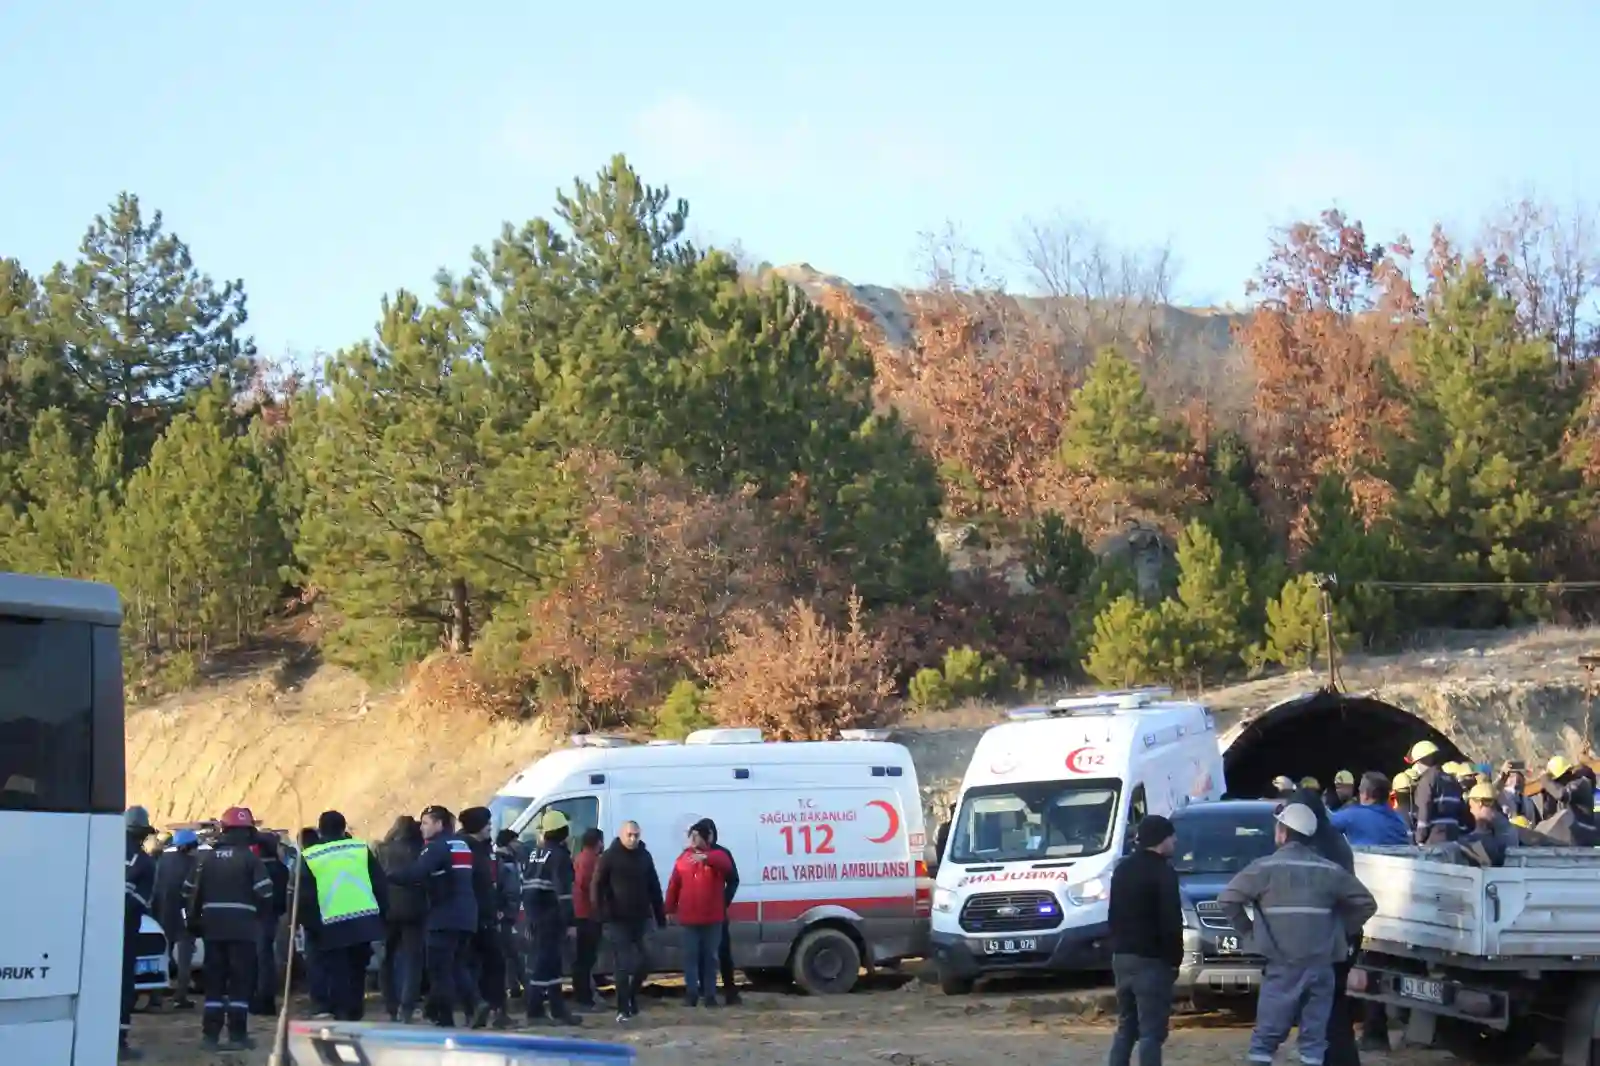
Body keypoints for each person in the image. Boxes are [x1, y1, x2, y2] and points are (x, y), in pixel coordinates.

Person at [1218, 803, 1377, 1066]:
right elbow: (1366, 904)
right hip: (1321, 968)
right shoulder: (1329, 871)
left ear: (1282, 833)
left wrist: (1250, 933)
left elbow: (1228, 899)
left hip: (1282, 966)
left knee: (1265, 1041)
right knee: (1314, 1043)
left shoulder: (1264, 869)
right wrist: (1337, 933)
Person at [184, 807, 275, 1052]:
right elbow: (266, 894)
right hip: (243, 932)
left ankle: (210, 1037)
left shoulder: (205, 860)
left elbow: (187, 893)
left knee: (214, 984)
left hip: (212, 931)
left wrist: (196, 920)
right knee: (239, 984)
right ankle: (237, 1035)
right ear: (247, 833)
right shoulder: (251, 860)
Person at [390, 805, 479, 1027]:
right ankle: (475, 1007)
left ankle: (445, 1017)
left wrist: (389, 876)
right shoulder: (462, 845)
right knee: (457, 965)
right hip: (467, 914)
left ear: (439, 824)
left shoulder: (436, 848)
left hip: (444, 917)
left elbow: (416, 874)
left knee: (439, 969)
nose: (421, 828)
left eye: (426, 823)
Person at [1105, 815, 1182, 1066]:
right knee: (1152, 1031)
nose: (1175, 841)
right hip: (1152, 961)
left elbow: (1112, 915)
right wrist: (1174, 960)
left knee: (1127, 1026)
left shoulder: (1122, 869)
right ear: (1161, 839)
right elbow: (1171, 920)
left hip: (1122, 957)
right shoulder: (1163, 872)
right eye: (1172, 836)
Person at [300, 810, 388, 1021]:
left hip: (329, 922)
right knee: (357, 970)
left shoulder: (311, 856)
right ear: (344, 827)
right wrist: (381, 917)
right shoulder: (360, 849)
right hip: (363, 921)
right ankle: (354, 1012)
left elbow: (305, 896)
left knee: (335, 970)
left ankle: (336, 1011)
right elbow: (380, 884)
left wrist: (310, 925)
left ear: (320, 830)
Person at [592, 820, 666, 1022]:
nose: (633, 839)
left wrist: (660, 915)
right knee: (622, 965)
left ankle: (632, 995)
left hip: (642, 917)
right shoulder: (609, 856)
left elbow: (654, 886)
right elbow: (597, 885)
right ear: (621, 834)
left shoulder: (644, 856)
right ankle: (623, 1008)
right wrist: (601, 914)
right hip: (617, 919)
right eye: (629, 835)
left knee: (649, 958)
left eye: (636, 835)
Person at [522, 809, 582, 1026]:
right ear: (563, 831)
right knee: (545, 964)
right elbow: (564, 894)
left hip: (534, 916)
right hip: (551, 916)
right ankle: (536, 1010)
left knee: (551, 964)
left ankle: (557, 1009)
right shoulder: (560, 857)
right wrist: (570, 922)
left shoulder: (534, 853)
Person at [665, 822, 734, 1008]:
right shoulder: (683, 859)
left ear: (707, 837)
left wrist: (706, 858)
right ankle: (692, 993)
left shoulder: (717, 856)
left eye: (697, 836)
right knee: (690, 957)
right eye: (691, 836)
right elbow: (674, 885)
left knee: (711, 958)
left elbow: (726, 865)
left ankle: (710, 995)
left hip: (713, 919)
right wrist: (669, 908)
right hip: (689, 918)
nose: (693, 840)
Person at [459, 806, 511, 1029]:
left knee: (495, 964)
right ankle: (477, 1010)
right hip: (473, 915)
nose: (491, 826)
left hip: (487, 913)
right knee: (477, 964)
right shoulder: (465, 848)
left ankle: (496, 1011)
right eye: (487, 823)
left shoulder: (484, 847)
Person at [377, 815, 428, 1023]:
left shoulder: (381, 850)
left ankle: (391, 1004)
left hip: (387, 909)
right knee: (413, 960)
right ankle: (407, 1007)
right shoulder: (421, 850)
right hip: (415, 909)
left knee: (386, 958)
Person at [122, 806, 159, 1061]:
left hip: (91, 930)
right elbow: (138, 902)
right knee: (123, 985)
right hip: (125, 932)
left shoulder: (100, 850)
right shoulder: (144, 862)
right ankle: (118, 1041)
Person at [153, 828, 201, 1010]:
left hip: (163, 915)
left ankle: (156, 997)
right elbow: (194, 892)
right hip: (184, 916)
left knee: (162, 958)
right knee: (184, 959)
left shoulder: (163, 861)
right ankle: (180, 996)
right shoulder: (194, 864)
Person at [697, 818, 743, 1005]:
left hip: (718, 913)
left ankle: (730, 990)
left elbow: (734, 880)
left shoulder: (722, 854)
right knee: (701, 952)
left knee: (723, 953)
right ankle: (704, 990)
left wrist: (723, 901)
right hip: (699, 912)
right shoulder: (693, 854)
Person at [250, 831, 290, 1016]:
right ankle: (268, 1000)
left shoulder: (256, 868)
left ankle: (261, 1000)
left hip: (258, 917)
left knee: (259, 959)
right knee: (270, 958)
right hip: (276, 916)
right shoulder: (282, 868)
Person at [571, 827, 606, 1009]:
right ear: (598, 842)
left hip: (582, 912)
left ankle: (584, 994)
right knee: (586, 958)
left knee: (584, 958)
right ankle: (584, 997)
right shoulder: (591, 860)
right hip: (588, 914)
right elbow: (586, 883)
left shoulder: (580, 857)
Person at [1406, 740, 1464, 844]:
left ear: (1424, 760)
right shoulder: (1451, 779)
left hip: (1434, 839)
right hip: (1454, 839)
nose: (1416, 766)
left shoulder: (1427, 780)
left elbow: (1424, 809)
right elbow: (1463, 812)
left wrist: (1420, 838)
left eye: (1417, 762)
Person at [1330, 773, 1411, 846]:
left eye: (1360, 791)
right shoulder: (1399, 821)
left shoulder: (1352, 816)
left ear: (1366, 795)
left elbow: (1323, 825)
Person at [494, 829, 527, 1002]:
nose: (519, 844)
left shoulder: (506, 860)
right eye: (515, 840)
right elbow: (508, 890)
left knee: (510, 953)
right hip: (506, 914)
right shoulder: (504, 862)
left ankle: (514, 987)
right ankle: (528, 990)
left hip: (506, 913)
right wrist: (506, 911)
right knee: (513, 952)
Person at [1460, 782, 1519, 867]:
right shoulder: (1463, 839)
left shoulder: (1502, 834)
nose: (1495, 810)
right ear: (1479, 804)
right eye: (1491, 804)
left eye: (1496, 805)